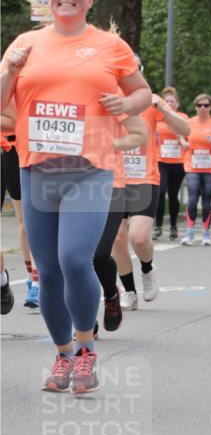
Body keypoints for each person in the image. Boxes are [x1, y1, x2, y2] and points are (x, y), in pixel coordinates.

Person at [0, 0, 151, 392]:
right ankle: (63, 353)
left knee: (73, 259)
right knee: (47, 271)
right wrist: (9, 70)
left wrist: (126, 106)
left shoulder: (110, 46)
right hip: (38, 168)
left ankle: (86, 349)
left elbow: (140, 91)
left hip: (90, 168)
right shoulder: (26, 44)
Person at [117, 89, 190, 308]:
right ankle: (129, 291)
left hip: (144, 178)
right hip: (114, 179)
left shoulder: (149, 101)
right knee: (117, 240)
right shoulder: (107, 98)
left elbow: (186, 129)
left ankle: (147, 269)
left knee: (138, 237)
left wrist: (164, 111)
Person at [93, 111, 148, 335]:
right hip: (69, 184)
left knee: (98, 254)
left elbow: (139, 134)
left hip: (110, 185)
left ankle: (111, 294)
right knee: (74, 258)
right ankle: (85, 320)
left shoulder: (112, 97)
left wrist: (108, 144)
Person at [1, 104, 39, 307]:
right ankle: (31, 276)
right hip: (11, 151)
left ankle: (38, 279)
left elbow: (16, 119)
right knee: (24, 221)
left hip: (36, 149)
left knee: (37, 219)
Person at [181, 94, 211, 246]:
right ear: (195, 107)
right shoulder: (189, 122)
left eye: (206, 105)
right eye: (200, 105)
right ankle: (189, 233)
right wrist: (184, 143)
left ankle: (206, 234)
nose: (202, 108)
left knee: (207, 200)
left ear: (210, 107)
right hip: (192, 165)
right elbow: (180, 136)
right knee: (193, 198)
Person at [154, 86, 189, 240]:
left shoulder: (182, 117)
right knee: (160, 193)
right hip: (161, 160)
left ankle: (173, 226)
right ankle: (158, 226)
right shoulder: (157, 117)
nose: (169, 103)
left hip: (178, 161)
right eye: (166, 101)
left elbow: (186, 135)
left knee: (173, 195)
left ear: (177, 104)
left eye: (172, 101)